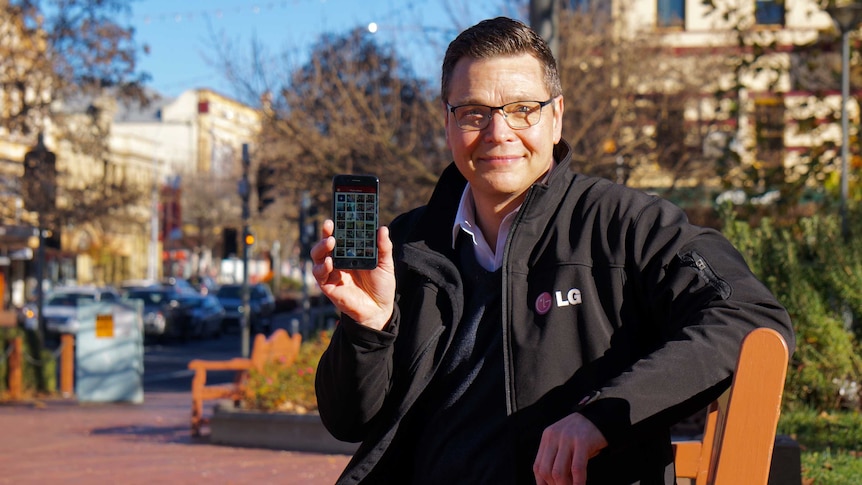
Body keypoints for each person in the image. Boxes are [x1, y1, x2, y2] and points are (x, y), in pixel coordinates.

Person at [311, 16, 794, 485]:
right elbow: (350, 423)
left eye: (524, 108)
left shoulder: (625, 226)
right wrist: (368, 328)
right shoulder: (408, 246)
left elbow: (749, 317)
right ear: (448, 123)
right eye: (474, 113)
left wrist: (601, 417)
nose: (499, 133)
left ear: (557, 116)